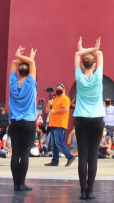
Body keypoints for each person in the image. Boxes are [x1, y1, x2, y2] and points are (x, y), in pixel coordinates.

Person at [74, 37, 105, 200]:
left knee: (83, 154)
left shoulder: (79, 77)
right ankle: (90, 191)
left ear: (82, 65)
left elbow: (78, 54)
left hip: (80, 118)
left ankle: (82, 191)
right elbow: (99, 54)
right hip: (96, 119)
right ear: (93, 65)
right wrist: (95, 48)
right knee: (93, 155)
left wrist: (82, 48)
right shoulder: (98, 77)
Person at [5, 46, 38, 191]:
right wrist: (29, 58)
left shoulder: (13, 83)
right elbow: (32, 64)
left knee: (15, 153)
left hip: (15, 122)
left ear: (18, 71)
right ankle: (22, 183)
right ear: (29, 71)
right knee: (25, 153)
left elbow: (13, 63)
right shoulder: (30, 83)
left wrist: (19, 56)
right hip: (28, 121)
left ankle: (15, 184)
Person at [45, 83, 73, 167]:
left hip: (60, 124)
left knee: (59, 143)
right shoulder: (55, 99)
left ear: (64, 89)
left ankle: (70, 157)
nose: (57, 90)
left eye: (59, 88)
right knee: (53, 144)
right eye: (56, 88)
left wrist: (55, 112)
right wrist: (49, 103)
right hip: (52, 123)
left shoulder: (65, 98)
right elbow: (47, 111)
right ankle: (55, 160)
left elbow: (65, 109)